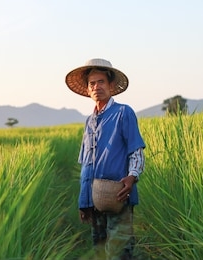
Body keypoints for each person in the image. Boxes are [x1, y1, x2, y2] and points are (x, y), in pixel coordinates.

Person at [65, 58, 146, 259]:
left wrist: (132, 176)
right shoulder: (89, 121)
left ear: (111, 85)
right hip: (95, 198)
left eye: (101, 81)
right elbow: (86, 164)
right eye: (92, 83)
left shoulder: (123, 113)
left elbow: (136, 150)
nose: (96, 86)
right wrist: (84, 201)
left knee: (119, 251)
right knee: (99, 249)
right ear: (87, 90)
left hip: (119, 194)